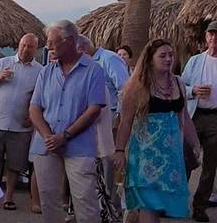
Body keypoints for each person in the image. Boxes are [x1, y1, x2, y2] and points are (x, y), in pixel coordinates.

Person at [29, 20, 106, 223]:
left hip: (79, 145)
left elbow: (94, 109)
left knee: (85, 201)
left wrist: (65, 136)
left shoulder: (93, 70)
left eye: (53, 43)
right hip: (46, 145)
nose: (48, 47)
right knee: (49, 200)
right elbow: (34, 108)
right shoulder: (46, 72)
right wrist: (49, 137)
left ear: (70, 41)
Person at [114, 39, 199, 222]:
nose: (168, 59)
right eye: (162, 55)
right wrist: (120, 151)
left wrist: (195, 143)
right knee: (149, 206)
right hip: (146, 157)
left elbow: (184, 117)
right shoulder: (136, 87)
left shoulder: (178, 83)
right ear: (150, 59)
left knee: (165, 205)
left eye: (171, 55)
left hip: (172, 157)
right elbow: (126, 122)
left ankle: (134, 215)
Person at [0, 33, 43, 211]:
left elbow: (42, 98)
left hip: (20, 127)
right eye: (23, 45)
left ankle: (8, 197)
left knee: (15, 164)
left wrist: (32, 117)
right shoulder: (3, 63)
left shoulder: (40, 71)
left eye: (29, 46)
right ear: (18, 45)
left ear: (36, 49)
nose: (25, 49)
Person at [78, 35, 129, 220]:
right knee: (98, 166)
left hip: (112, 122)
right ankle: (99, 206)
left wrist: (120, 118)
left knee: (110, 166)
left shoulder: (109, 59)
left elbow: (125, 89)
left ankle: (113, 209)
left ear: (82, 49)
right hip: (93, 124)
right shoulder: (89, 64)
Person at [180, 20, 217, 221]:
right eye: (211, 34)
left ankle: (200, 206)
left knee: (210, 164)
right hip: (194, 115)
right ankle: (178, 200)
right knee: (186, 159)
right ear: (206, 37)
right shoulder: (195, 61)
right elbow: (180, 86)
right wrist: (193, 91)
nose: (214, 38)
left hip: (215, 117)